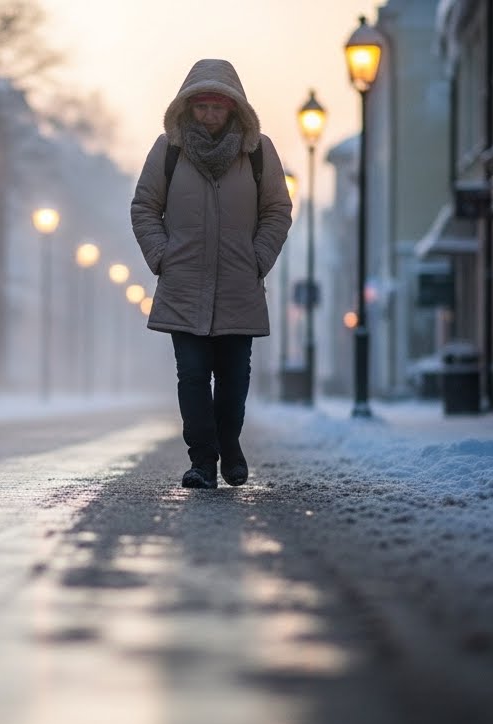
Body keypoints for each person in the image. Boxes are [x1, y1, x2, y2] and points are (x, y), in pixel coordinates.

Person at [129, 59, 293, 490]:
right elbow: (144, 206)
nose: (208, 115)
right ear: (188, 107)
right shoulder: (169, 151)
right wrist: (162, 256)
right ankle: (202, 460)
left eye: (217, 107)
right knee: (193, 377)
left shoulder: (258, 152)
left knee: (235, 379)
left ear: (234, 109)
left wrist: (258, 258)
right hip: (183, 285)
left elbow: (277, 210)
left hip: (239, 284)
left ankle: (230, 446)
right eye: (200, 107)